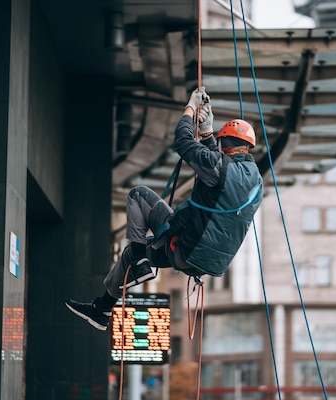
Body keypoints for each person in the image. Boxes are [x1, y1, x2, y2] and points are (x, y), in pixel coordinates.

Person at [65, 87, 264, 330]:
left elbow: (183, 142)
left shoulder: (219, 167)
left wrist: (190, 108)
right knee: (131, 255)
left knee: (138, 195)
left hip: (187, 247)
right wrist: (208, 133)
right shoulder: (256, 182)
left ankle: (139, 262)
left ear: (225, 143)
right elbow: (219, 173)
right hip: (206, 261)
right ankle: (102, 309)